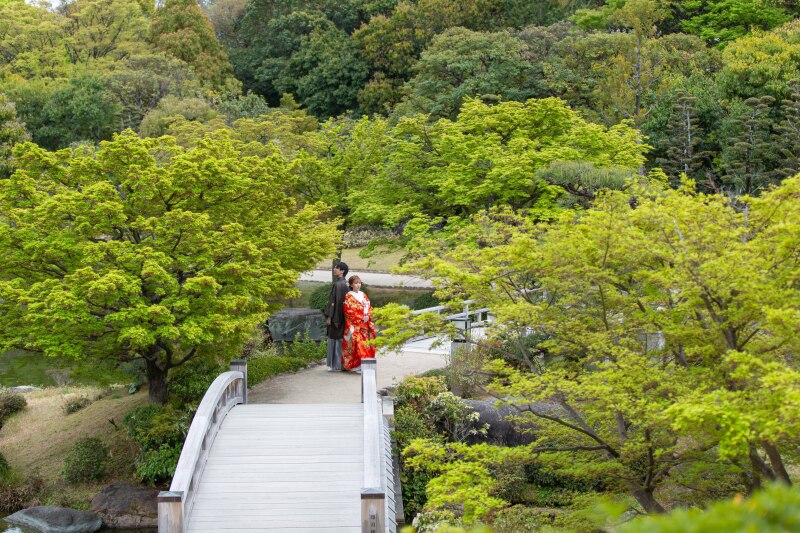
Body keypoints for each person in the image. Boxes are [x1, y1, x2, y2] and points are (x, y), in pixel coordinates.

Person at [342, 275, 376, 372]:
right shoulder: (349, 296)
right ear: (351, 285)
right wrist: (361, 317)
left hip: (365, 324)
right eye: (356, 283)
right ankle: (356, 365)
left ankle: (364, 364)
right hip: (355, 325)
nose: (358, 285)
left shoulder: (363, 294)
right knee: (358, 344)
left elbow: (369, 307)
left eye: (359, 283)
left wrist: (368, 315)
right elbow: (349, 311)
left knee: (367, 344)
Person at [324, 262, 349, 371]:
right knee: (340, 340)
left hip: (336, 317)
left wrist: (330, 316)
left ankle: (336, 365)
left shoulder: (339, 284)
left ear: (342, 271)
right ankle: (340, 365)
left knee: (335, 339)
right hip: (342, 317)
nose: (334, 269)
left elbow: (334, 302)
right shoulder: (344, 284)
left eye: (337, 268)